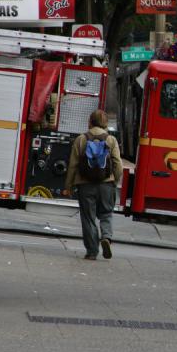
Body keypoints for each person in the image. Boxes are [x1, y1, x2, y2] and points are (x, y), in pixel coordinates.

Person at [64, 109, 123, 260]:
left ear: (90, 121)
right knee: (106, 213)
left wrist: (68, 186)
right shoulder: (111, 140)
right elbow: (118, 165)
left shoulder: (81, 139)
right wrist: (114, 180)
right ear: (105, 123)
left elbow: (72, 165)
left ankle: (92, 251)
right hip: (106, 185)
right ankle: (106, 237)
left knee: (88, 218)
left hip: (85, 185)